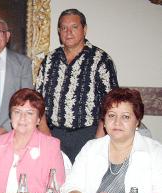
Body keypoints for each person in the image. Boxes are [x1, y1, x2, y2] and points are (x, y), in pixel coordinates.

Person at [35, 9, 119, 163]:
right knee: (54, 181)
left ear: (84, 29)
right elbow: (37, 98)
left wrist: (98, 139)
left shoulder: (101, 60)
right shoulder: (50, 59)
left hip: (87, 135)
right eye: (63, 28)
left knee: (84, 184)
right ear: (59, 31)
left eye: (74, 27)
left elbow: (111, 103)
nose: (68, 32)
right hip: (53, 134)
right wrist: (43, 129)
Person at [62, 88, 162, 193]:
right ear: (104, 121)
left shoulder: (155, 151)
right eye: (111, 115)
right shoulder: (91, 148)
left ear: (137, 122)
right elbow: (72, 184)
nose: (117, 122)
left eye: (125, 117)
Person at [0, 88, 65, 193]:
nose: (22, 118)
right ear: (10, 117)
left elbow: (56, 191)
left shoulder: (50, 146)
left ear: (38, 119)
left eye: (29, 113)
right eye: (17, 112)